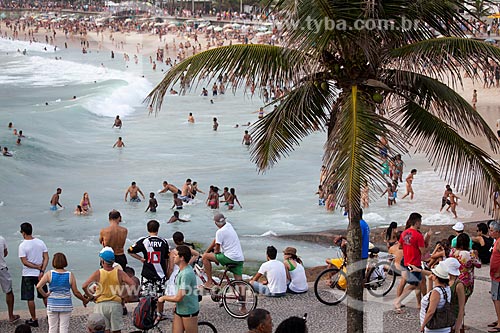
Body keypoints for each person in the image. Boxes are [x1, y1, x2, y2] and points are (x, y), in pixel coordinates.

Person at [82, 247, 135, 333]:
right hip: (115, 305)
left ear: (102, 261)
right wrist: (124, 295)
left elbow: (84, 286)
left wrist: (91, 296)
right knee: (117, 330)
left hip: (101, 305)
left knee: (104, 330)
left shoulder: (98, 273)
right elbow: (132, 285)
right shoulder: (119, 272)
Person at [36, 252, 88, 333]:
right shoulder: (70, 275)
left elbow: (38, 286)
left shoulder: (49, 274)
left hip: (52, 304)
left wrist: (45, 295)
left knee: (52, 327)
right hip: (65, 304)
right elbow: (76, 292)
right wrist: (84, 300)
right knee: (64, 328)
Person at [128, 220, 170, 318]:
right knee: (160, 295)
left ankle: (146, 313)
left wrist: (141, 259)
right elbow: (167, 258)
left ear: (147, 229)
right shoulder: (163, 241)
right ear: (158, 229)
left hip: (147, 272)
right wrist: (167, 271)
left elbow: (130, 251)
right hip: (160, 273)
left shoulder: (144, 241)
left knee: (146, 295)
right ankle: (159, 313)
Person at [393, 213, 430, 313]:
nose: (421, 224)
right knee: (414, 284)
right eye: (420, 222)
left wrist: (409, 248)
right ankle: (398, 301)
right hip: (414, 263)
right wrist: (428, 242)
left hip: (405, 261)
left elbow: (400, 246)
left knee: (421, 280)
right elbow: (423, 251)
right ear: (417, 222)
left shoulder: (404, 233)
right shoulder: (418, 235)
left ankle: (423, 302)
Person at [158, 245, 199, 333]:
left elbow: (179, 297)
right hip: (180, 309)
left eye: (176, 255)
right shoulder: (182, 270)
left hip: (188, 310)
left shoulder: (186, 274)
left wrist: (163, 298)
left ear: (182, 258)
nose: (173, 256)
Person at [18, 222, 49, 327]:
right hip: (40, 275)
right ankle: (50, 315)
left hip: (27, 274)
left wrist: (36, 267)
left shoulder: (22, 245)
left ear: (23, 233)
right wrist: (42, 270)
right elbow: (46, 257)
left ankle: (34, 319)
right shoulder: (40, 242)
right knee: (45, 295)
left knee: (30, 298)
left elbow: (24, 262)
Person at [202, 213, 244, 289]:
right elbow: (216, 240)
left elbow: (217, 249)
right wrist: (208, 251)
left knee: (205, 257)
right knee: (239, 281)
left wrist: (212, 256)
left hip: (229, 257)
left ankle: (209, 282)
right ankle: (242, 300)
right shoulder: (229, 225)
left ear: (215, 223)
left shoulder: (219, 232)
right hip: (239, 258)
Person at [419, 261, 452, 333]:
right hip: (444, 327)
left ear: (436, 277)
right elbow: (429, 296)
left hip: (433, 328)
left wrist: (423, 326)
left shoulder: (436, 292)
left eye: (433, 274)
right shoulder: (447, 288)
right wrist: (430, 281)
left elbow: (431, 311)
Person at [449, 233, 481, 303]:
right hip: (467, 281)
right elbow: (478, 265)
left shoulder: (453, 252)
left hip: (454, 279)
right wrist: (476, 256)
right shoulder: (470, 254)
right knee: (462, 304)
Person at [0, 235, 20, 323]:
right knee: (8, 291)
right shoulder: (1, 238)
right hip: (2, 268)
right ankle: (11, 316)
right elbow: (5, 253)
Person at [444, 257, 465, 333]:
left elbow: (461, 307)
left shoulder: (459, 285)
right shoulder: (446, 280)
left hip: (455, 318)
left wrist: (457, 328)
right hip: (446, 317)